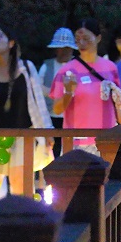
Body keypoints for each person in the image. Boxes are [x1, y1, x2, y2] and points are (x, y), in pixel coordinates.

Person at [0, 26, 53, 199]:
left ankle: (23, 225)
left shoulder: (26, 69)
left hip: (23, 136)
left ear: (11, 43)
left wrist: (47, 132)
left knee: (22, 188)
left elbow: (38, 102)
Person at [50, 19, 121, 151]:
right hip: (76, 140)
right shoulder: (67, 70)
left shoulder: (111, 68)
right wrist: (68, 92)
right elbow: (57, 109)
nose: (82, 43)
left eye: (86, 38)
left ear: (98, 38)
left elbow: (118, 106)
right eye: (78, 39)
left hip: (107, 139)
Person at [40, 27, 77, 157]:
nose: (64, 51)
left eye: (67, 47)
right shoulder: (46, 66)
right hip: (51, 118)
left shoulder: (79, 66)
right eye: (61, 48)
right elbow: (38, 89)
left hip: (74, 118)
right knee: (52, 153)